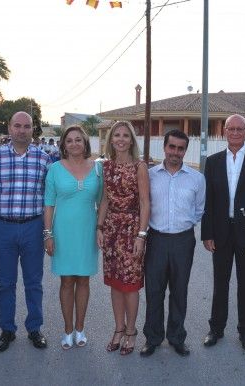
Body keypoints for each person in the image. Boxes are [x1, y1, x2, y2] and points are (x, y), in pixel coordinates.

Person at [0, 111, 52, 353]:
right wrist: (3, 212)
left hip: (33, 227)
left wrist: (45, 229)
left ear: (33, 129)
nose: (22, 130)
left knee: (34, 282)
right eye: (17, 126)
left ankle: (34, 328)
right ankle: (7, 330)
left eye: (27, 126)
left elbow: (48, 197)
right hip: (3, 228)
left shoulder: (44, 160)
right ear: (9, 128)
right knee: (6, 283)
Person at [201, 114, 245, 352]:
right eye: (231, 128)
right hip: (220, 232)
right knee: (220, 283)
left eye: (241, 129)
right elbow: (207, 201)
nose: (236, 132)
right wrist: (206, 233)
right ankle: (216, 329)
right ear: (225, 130)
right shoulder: (213, 161)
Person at [139, 130, 205, 358]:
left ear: (185, 151)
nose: (175, 152)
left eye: (180, 148)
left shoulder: (197, 178)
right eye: (172, 147)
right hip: (156, 239)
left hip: (183, 241)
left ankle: (177, 337)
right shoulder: (150, 175)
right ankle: (153, 338)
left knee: (179, 291)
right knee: (154, 291)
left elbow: (199, 209)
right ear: (164, 148)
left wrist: (183, 226)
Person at [44, 126, 102, 349]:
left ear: (85, 143)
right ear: (63, 145)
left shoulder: (98, 169)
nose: (75, 143)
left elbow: (102, 201)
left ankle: (80, 329)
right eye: (70, 140)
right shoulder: (55, 169)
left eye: (79, 140)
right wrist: (47, 234)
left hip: (87, 230)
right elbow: (49, 203)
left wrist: (100, 227)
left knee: (84, 280)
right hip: (63, 231)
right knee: (67, 280)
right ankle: (67, 330)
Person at [97, 120, 150, 356]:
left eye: (125, 135)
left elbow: (144, 202)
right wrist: (99, 227)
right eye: (116, 135)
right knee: (115, 283)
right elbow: (106, 200)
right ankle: (118, 329)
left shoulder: (140, 166)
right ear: (111, 140)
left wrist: (141, 235)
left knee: (130, 284)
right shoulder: (105, 167)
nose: (120, 139)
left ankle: (131, 331)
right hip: (111, 230)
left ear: (131, 140)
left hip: (131, 230)